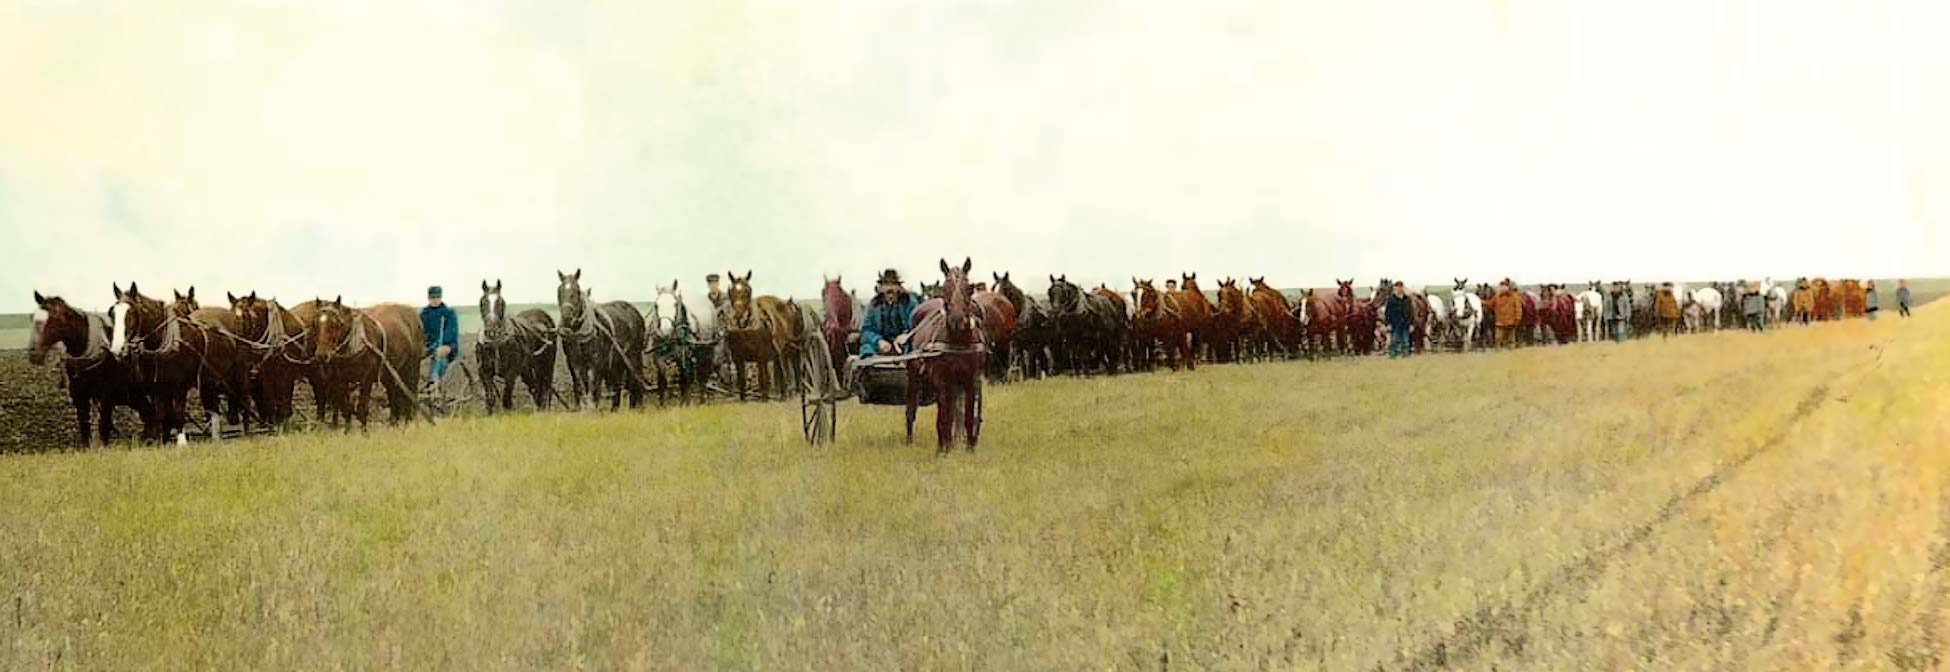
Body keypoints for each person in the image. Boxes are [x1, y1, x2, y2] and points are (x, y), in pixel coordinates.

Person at [859, 268, 921, 357]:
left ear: (899, 287)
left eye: (893, 284)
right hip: (881, 346)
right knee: (867, 348)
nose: (890, 288)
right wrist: (878, 341)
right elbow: (866, 329)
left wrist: (906, 335)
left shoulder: (910, 302)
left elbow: (918, 323)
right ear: (881, 287)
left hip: (904, 343)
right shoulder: (874, 304)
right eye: (886, 284)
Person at [420, 286, 461, 391]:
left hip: (447, 345)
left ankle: (434, 382)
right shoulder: (424, 314)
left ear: (440, 297)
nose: (435, 300)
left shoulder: (448, 313)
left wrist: (438, 345)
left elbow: (450, 333)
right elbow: (420, 332)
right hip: (428, 345)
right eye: (432, 297)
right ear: (428, 298)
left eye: (437, 297)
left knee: (440, 354)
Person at [1490, 279, 1524, 349]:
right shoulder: (1497, 297)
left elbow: (1518, 308)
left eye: (1504, 286)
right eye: (1501, 286)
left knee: (1511, 339)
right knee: (1498, 338)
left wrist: (1517, 319)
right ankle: (1498, 352)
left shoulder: (1514, 296)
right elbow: (1490, 304)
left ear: (1508, 287)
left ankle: (1511, 352)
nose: (1502, 288)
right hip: (1500, 322)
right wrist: (1480, 301)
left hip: (1511, 322)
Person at [1384, 281, 1413, 358]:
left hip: (1405, 324)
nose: (1397, 289)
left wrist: (1411, 324)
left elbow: (1411, 313)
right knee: (1393, 341)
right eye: (1396, 288)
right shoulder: (1391, 300)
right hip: (1394, 324)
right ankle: (1393, 355)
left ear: (1402, 288)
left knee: (1405, 342)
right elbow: (1387, 313)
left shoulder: (1407, 300)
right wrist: (1388, 323)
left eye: (1399, 287)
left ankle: (1405, 355)